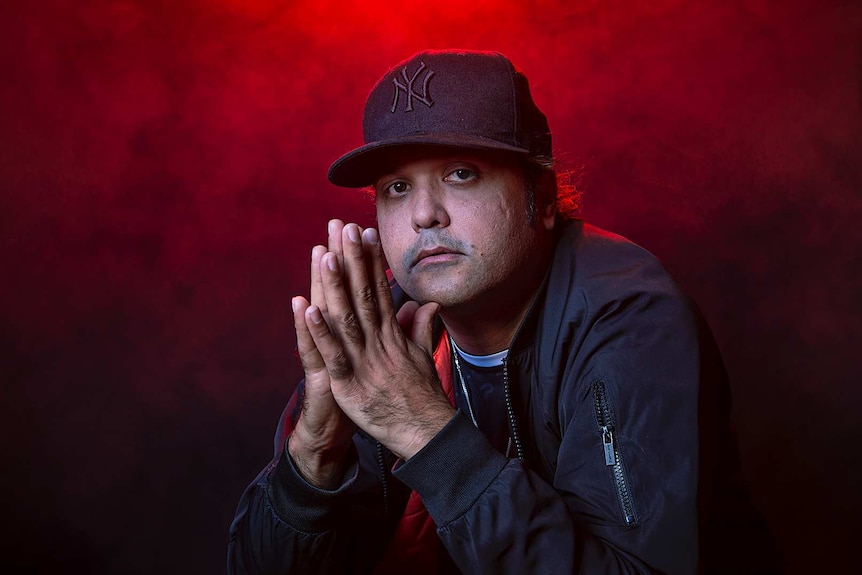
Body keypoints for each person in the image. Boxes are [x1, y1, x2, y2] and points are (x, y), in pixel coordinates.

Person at [228, 49, 775, 574]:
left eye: (461, 173)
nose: (423, 214)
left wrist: (423, 431)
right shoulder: (381, 329)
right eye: (396, 187)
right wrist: (317, 448)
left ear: (541, 198)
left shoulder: (630, 319)